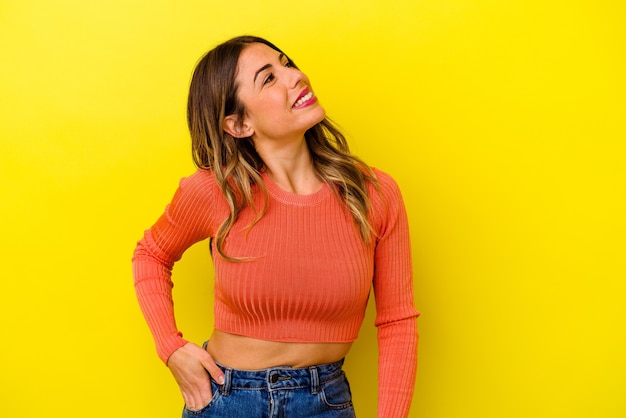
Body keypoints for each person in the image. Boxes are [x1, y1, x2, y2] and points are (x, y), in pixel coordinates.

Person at [132, 35, 419, 418]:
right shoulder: (215, 192)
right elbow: (151, 254)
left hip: (326, 403)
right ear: (238, 123)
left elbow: (397, 322)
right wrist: (171, 347)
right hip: (226, 400)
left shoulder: (373, 194)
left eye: (287, 64)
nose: (296, 76)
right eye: (269, 78)